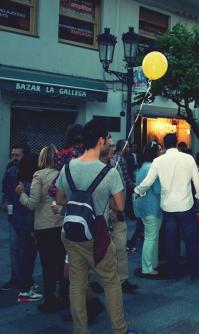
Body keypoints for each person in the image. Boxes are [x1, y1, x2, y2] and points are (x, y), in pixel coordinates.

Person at [56, 119, 134, 334]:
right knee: (110, 280)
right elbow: (119, 206)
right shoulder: (109, 172)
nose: (110, 143)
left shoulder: (68, 167)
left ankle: (80, 330)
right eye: (107, 139)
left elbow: (61, 199)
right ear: (100, 141)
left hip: (71, 231)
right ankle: (119, 329)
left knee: (77, 283)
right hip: (97, 234)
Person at [134, 133, 199, 281]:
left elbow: (148, 181)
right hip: (185, 205)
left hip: (168, 208)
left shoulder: (158, 161)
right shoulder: (188, 159)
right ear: (176, 143)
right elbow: (197, 181)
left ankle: (173, 273)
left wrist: (138, 191)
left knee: (170, 241)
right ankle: (195, 272)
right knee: (191, 240)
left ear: (164, 144)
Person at [17, 145, 67, 313]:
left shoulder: (39, 175)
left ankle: (50, 301)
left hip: (44, 226)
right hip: (61, 222)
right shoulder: (63, 173)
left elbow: (32, 204)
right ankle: (64, 297)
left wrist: (21, 194)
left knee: (47, 265)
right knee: (61, 263)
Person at [106, 141, 139, 294]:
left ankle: (123, 279)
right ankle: (94, 281)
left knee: (120, 247)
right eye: (110, 145)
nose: (113, 148)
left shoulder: (116, 162)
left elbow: (122, 185)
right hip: (103, 214)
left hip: (118, 212)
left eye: (113, 146)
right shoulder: (97, 166)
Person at [1, 143, 29, 291]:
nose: (14, 158)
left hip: (27, 216)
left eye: (17, 155)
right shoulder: (10, 170)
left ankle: (26, 279)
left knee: (26, 249)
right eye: (12, 155)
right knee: (14, 248)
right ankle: (15, 277)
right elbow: (5, 190)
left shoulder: (31, 172)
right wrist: (5, 203)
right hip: (14, 215)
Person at [133, 142, 162, 277]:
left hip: (143, 206)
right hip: (152, 207)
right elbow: (157, 189)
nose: (161, 152)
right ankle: (147, 267)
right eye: (160, 150)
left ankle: (152, 264)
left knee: (150, 236)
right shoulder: (152, 167)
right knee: (151, 237)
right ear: (155, 153)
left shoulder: (143, 166)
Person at [15, 153, 40, 303]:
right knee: (28, 257)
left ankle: (28, 284)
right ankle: (24, 291)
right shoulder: (31, 184)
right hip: (30, 225)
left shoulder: (21, 181)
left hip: (20, 222)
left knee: (26, 255)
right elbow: (32, 205)